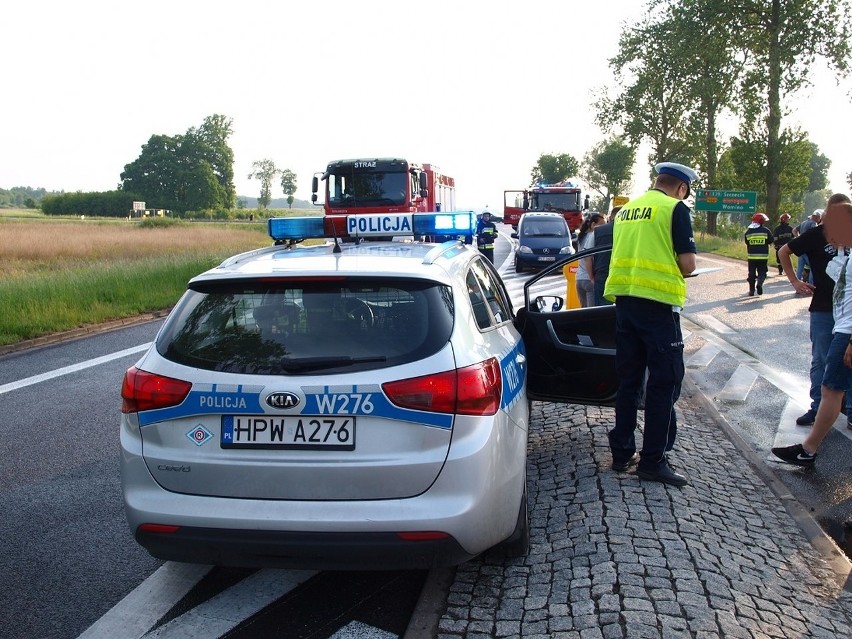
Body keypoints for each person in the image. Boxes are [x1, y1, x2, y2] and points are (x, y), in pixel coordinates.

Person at [603, 161, 697, 487]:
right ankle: (653, 461)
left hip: (625, 305)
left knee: (629, 382)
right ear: (681, 188)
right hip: (658, 308)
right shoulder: (674, 209)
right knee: (663, 384)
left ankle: (621, 453)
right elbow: (687, 264)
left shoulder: (627, 210)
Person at [773, 199, 852, 465]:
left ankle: (808, 449)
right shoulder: (826, 241)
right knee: (829, 380)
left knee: (833, 385)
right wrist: (795, 280)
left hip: (848, 328)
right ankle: (809, 445)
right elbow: (786, 250)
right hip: (834, 318)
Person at [575, 213, 605, 307]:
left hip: (579, 279)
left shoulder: (581, 236)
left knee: (584, 313)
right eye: (602, 225)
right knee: (592, 313)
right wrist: (592, 278)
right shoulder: (593, 236)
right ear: (593, 225)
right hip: (589, 280)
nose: (604, 227)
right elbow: (588, 258)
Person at [590, 208, 618, 306]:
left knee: (601, 312)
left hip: (602, 274)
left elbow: (587, 256)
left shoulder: (598, 231)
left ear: (611, 217)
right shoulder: (631, 230)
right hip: (624, 276)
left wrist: (591, 277)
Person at [744, 213, 774, 296]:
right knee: (762, 271)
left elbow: (747, 242)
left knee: (751, 273)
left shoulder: (748, 231)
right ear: (762, 221)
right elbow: (771, 240)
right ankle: (759, 283)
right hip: (763, 256)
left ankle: (751, 290)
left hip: (752, 257)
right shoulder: (766, 230)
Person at [794, 209, 822, 282]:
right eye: (819, 218)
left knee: (800, 267)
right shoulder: (813, 224)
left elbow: (794, 230)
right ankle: (811, 284)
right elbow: (815, 234)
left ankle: (797, 283)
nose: (819, 220)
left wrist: (798, 238)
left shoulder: (803, 222)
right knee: (813, 266)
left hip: (801, 248)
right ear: (816, 217)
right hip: (808, 249)